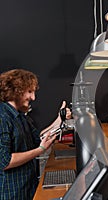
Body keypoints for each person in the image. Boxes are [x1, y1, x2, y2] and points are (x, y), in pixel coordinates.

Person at [0, 69, 72, 199]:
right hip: (12, 192)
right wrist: (40, 150)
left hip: (27, 186)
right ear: (16, 90)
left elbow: (38, 138)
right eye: (30, 91)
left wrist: (59, 120)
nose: (33, 97)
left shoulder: (20, 116)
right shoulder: (2, 117)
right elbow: (4, 161)